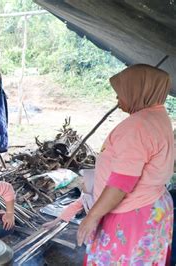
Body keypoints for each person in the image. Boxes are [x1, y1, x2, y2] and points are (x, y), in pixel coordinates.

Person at [67, 64, 173, 264]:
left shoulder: (138, 126)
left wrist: (92, 217)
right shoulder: (158, 116)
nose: (117, 98)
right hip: (153, 206)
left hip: (132, 213)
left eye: (122, 92)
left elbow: (121, 184)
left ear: (138, 90)